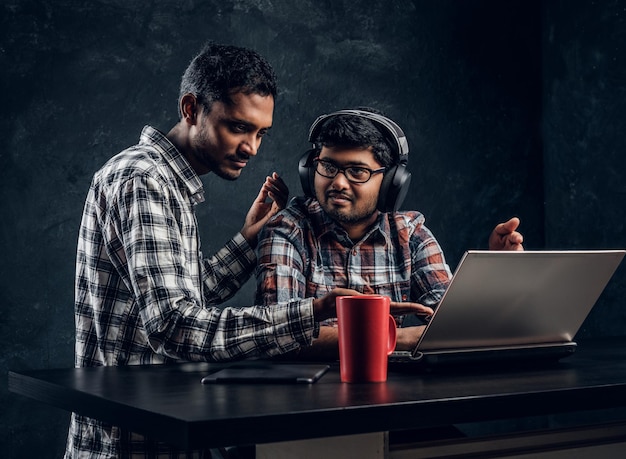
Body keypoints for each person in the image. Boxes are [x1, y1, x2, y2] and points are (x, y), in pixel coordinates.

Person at [65, 45, 426, 459]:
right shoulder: (144, 181)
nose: (251, 147)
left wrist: (248, 240)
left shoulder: (162, 182)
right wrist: (315, 310)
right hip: (132, 444)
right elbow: (173, 327)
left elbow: (177, 295)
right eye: (238, 127)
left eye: (260, 133)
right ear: (190, 108)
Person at [255, 108, 524, 359]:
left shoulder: (411, 235)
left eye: (357, 171)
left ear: (391, 183)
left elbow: (455, 325)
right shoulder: (286, 229)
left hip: (394, 397)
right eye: (328, 166)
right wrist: (398, 339)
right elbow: (278, 333)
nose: (337, 182)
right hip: (310, 399)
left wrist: (493, 274)